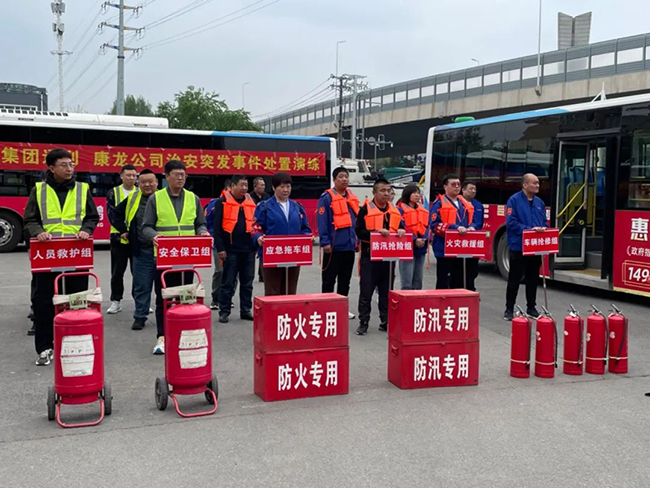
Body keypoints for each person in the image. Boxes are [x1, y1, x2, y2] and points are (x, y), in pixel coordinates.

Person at [23, 148, 99, 366]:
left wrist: (86, 230)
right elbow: (29, 219)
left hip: (76, 253)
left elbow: (92, 217)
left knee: (76, 300)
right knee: (44, 302)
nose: (69, 168)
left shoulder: (82, 189)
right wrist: (39, 232)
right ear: (51, 168)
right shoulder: (39, 190)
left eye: (71, 164)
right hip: (48, 255)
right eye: (64, 165)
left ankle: (73, 343)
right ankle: (45, 348)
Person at [142, 160, 210, 355]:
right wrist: (154, 236)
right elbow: (146, 227)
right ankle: (162, 336)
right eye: (176, 174)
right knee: (164, 297)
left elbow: (200, 223)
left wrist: (203, 232)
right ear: (166, 176)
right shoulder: (156, 199)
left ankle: (183, 334)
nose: (181, 178)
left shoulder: (193, 198)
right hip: (164, 258)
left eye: (183, 175)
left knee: (186, 297)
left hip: (187, 257)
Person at [110, 169, 159, 331]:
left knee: (164, 288)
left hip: (163, 251)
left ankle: (166, 316)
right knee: (141, 286)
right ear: (138, 183)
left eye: (150, 181)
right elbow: (115, 213)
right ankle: (140, 317)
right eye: (143, 182)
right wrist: (123, 230)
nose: (147, 185)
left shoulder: (164, 198)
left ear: (157, 183)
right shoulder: (133, 198)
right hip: (141, 250)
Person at [355, 178, 405, 336]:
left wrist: (401, 230)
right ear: (374, 192)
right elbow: (359, 231)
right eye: (382, 191)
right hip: (370, 257)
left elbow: (401, 225)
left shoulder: (394, 209)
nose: (386, 194)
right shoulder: (365, 209)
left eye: (388, 191)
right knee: (366, 291)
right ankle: (363, 322)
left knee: (386, 292)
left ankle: (386, 320)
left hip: (388, 258)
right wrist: (375, 233)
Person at [252, 172, 312, 296]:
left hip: (293, 254)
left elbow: (305, 228)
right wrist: (258, 238)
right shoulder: (264, 207)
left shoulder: (297, 207)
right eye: (282, 186)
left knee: (290, 291)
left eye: (288, 186)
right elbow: (255, 228)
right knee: (272, 291)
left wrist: (307, 237)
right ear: (274, 188)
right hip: (272, 255)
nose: (285, 190)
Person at [503, 173, 548, 321]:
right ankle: (509, 308)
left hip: (534, 248)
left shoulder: (539, 202)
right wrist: (529, 230)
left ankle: (531, 307)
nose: (537, 185)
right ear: (524, 185)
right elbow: (511, 223)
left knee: (533, 279)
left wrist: (543, 229)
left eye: (538, 183)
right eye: (534, 183)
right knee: (514, 279)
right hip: (519, 246)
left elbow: (544, 222)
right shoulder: (514, 200)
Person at [213, 174, 257, 323]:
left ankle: (246, 310)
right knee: (228, 282)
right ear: (232, 186)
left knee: (247, 283)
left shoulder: (250, 201)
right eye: (241, 185)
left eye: (246, 185)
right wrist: (220, 248)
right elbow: (217, 228)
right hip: (230, 249)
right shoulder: (222, 202)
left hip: (249, 250)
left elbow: (255, 225)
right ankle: (224, 311)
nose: (244, 188)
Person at [317, 167, 359, 319]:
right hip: (333, 247)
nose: (344, 179)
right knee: (329, 279)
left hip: (349, 246)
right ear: (334, 179)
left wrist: (357, 240)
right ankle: (326, 308)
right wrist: (325, 242)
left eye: (346, 176)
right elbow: (322, 221)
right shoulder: (326, 198)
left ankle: (342, 308)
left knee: (345, 280)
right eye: (341, 177)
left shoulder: (351, 197)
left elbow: (356, 221)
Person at [430, 174, 474, 289]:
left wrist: (471, 227)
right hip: (444, 249)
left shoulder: (464, 203)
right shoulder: (439, 203)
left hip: (460, 248)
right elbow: (434, 225)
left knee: (458, 282)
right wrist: (455, 228)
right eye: (453, 184)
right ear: (445, 187)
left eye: (459, 184)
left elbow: (471, 220)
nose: (457, 187)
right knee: (443, 283)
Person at [106, 164, 138, 315]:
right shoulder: (113, 192)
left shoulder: (140, 192)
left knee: (138, 272)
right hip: (118, 238)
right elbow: (111, 214)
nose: (131, 178)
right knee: (117, 272)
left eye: (134, 175)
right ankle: (116, 301)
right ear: (121, 176)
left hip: (137, 239)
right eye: (128, 175)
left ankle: (139, 301)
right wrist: (123, 230)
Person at [397, 184, 429, 290]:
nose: (417, 195)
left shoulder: (423, 210)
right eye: (414, 193)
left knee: (418, 281)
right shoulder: (400, 210)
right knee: (407, 282)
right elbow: (401, 226)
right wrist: (414, 239)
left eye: (418, 193)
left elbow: (427, 226)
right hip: (407, 248)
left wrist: (424, 239)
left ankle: (416, 300)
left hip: (421, 247)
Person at [461, 181, 484, 291]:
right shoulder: (458, 203)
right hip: (460, 240)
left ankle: (470, 291)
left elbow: (479, 222)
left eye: (475, 189)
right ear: (463, 190)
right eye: (471, 189)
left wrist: (472, 227)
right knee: (459, 269)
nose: (473, 191)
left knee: (472, 269)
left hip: (473, 241)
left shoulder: (478, 205)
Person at [251, 176, 270, 282]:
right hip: (252, 228)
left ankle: (262, 275)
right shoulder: (249, 197)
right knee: (252, 254)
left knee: (263, 252)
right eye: (261, 185)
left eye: (264, 185)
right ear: (255, 186)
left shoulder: (267, 197)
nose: (263, 187)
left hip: (263, 228)